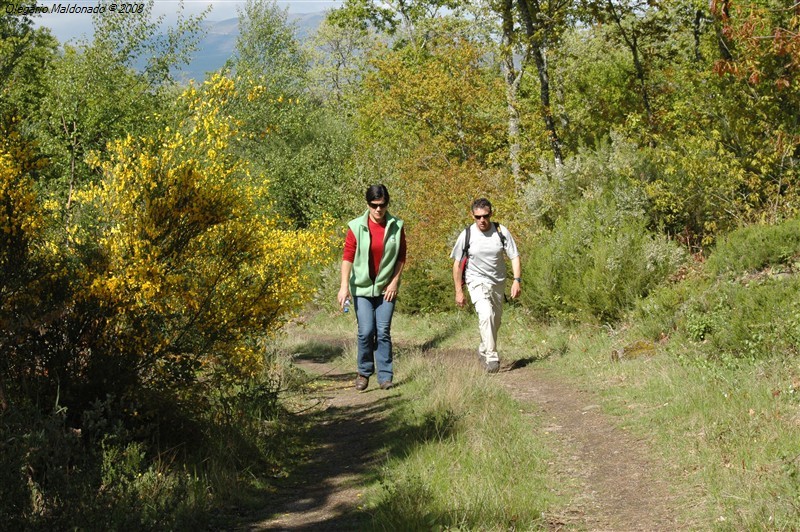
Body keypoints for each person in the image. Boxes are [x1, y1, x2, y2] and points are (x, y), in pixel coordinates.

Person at [338, 184, 407, 391]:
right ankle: (364, 372)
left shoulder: (396, 225)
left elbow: (401, 256)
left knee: (383, 331)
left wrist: (394, 281)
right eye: (374, 205)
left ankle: (385, 376)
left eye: (383, 205)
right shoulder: (356, 226)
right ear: (367, 204)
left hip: (387, 287)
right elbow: (348, 256)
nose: (378, 209)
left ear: (387, 204)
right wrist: (344, 287)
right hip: (362, 288)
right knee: (366, 331)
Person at [450, 198, 521, 373]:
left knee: (495, 321)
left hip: (498, 282)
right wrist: (459, 291)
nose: (482, 220)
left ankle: (483, 348)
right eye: (478, 217)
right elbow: (457, 264)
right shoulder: (466, 235)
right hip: (476, 281)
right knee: (486, 313)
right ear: (472, 215)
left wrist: (516, 281)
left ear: (491, 214)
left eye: (485, 216)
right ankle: (492, 357)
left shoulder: (501, 231)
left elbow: (514, 256)